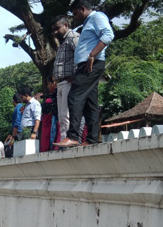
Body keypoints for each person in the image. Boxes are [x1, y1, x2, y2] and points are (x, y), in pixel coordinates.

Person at [56, 0, 114, 147]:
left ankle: (73, 136)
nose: (75, 17)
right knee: (90, 104)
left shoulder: (97, 17)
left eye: (75, 14)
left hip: (91, 64)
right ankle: (92, 139)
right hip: (86, 65)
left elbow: (108, 35)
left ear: (82, 9)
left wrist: (92, 55)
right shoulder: (88, 23)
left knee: (74, 97)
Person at [51, 15, 80, 143]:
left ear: (66, 25)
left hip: (69, 82)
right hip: (61, 83)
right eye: (54, 29)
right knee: (62, 116)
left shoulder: (73, 37)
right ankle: (64, 140)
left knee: (66, 114)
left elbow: (82, 55)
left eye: (57, 28)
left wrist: (77, 74)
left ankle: (70, 140)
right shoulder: (63, 41)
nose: (55, 32)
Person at [40, 77, 60, 152]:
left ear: (54, 83)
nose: (48, 86)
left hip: (50, 126)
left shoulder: (50, 101)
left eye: (49, 84)